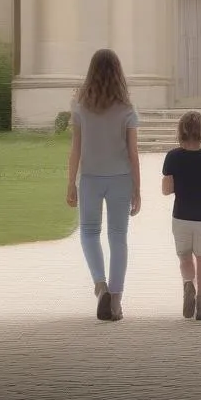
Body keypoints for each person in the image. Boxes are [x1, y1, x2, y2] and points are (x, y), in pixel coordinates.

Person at [65, 49, 141, 322]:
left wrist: (71, 183)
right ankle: (116, 301)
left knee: (88, 232)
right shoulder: (127, 109)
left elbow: (76, 149)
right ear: (118, 73)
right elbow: (133, 152)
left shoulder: (80, 107)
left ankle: (100, 287)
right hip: (120, 178)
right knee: (118, 237)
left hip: (90, 179)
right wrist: (137, 188)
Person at [162, 111, 201, 321]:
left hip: (181, 215)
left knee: (185, 257)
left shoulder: (172, 156)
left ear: (180, 132)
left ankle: (189, 284)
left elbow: (166, 190)